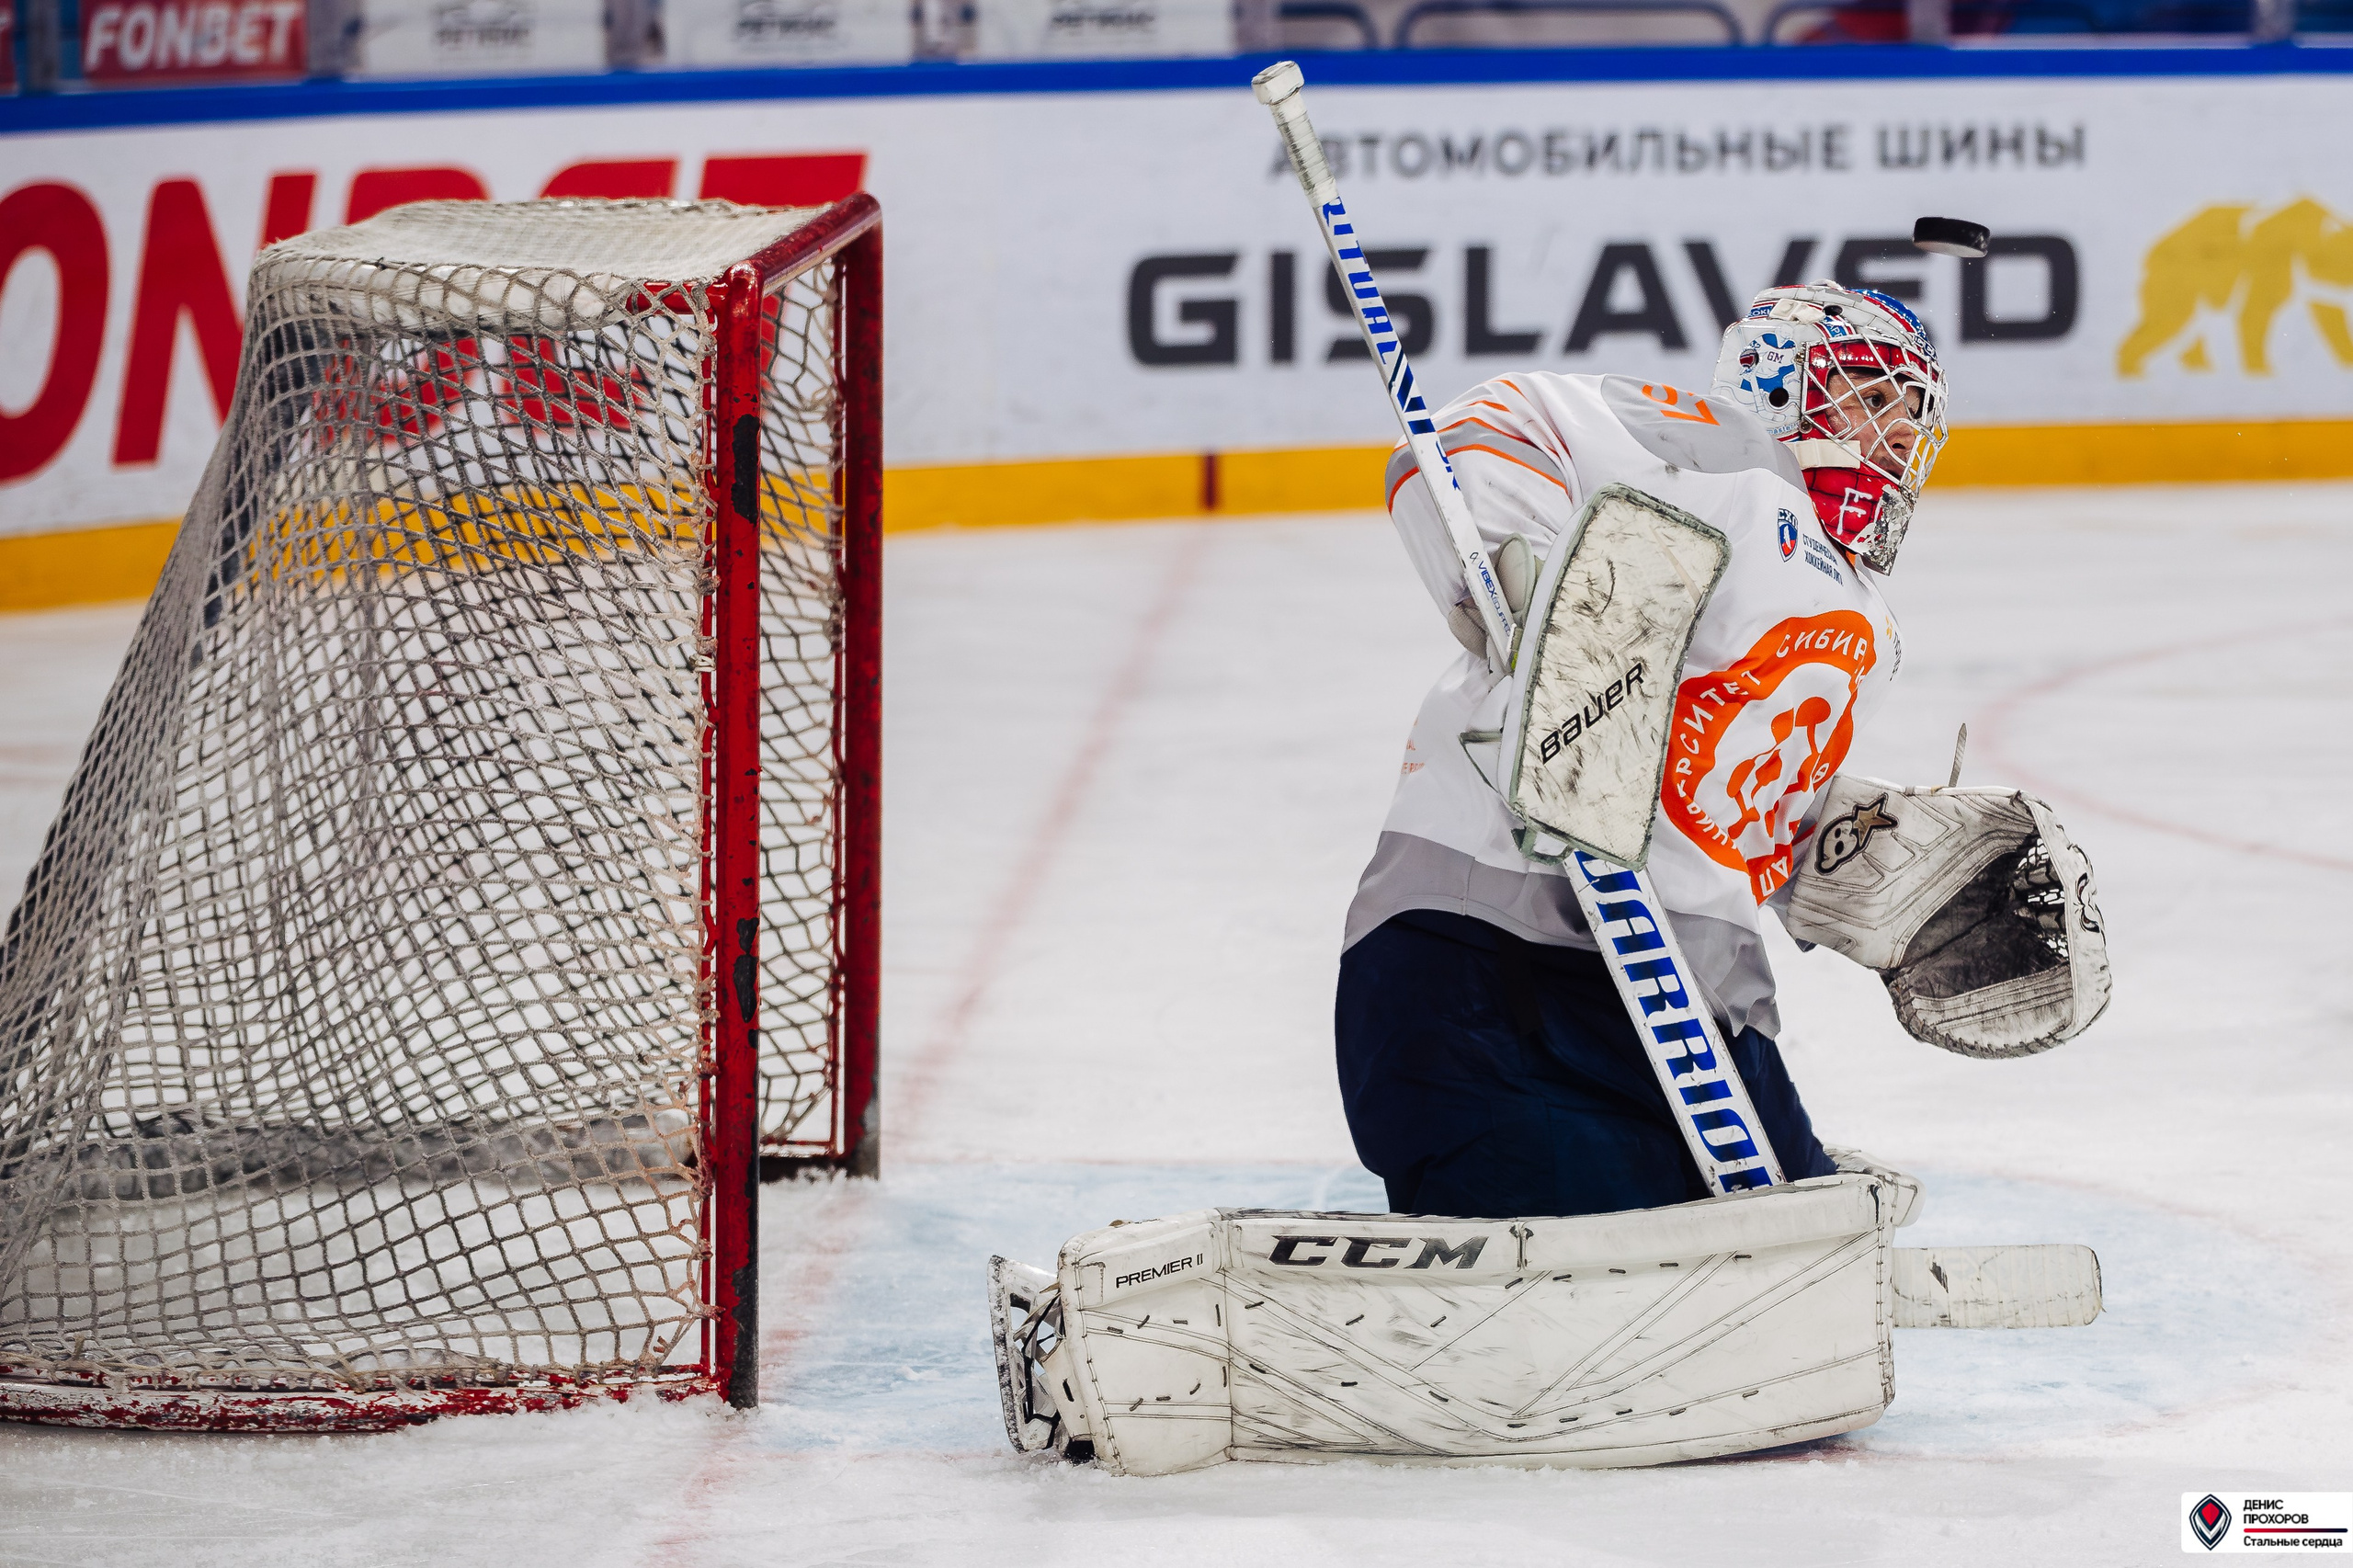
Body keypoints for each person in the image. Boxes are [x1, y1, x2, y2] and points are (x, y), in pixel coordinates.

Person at [1335, 279, 1949, 1221]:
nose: (1900, 433)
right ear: (1778, 381)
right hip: (1485, 952)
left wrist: (1853, 852)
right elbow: (1487, 422)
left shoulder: (1869, 620)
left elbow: (1726, 807)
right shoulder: (1725, 455)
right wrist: (1528, 598)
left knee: (1786, 1267)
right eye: (1870, 399)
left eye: (1914, 414)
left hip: (1686, 1001)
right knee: (1576, 1297)